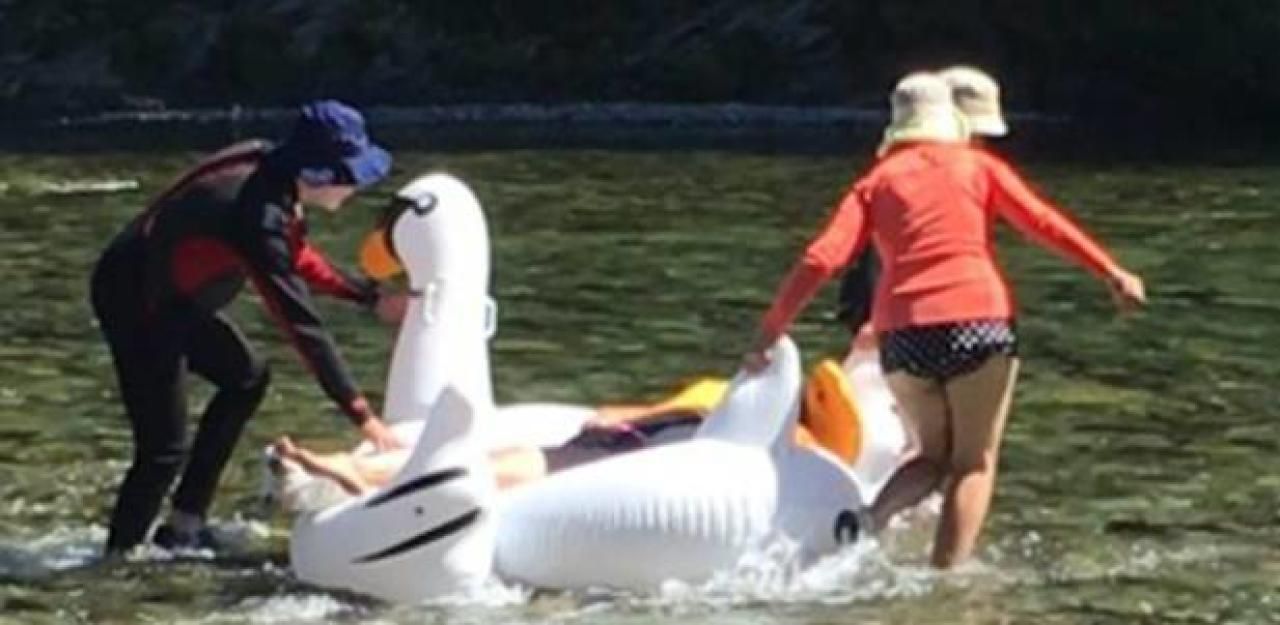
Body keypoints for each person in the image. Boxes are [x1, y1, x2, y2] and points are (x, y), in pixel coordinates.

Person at [743, 73, 1146, 568]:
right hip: (980, 324)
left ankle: (867, 522)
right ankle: (944, 584)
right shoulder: (979, 167)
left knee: (930, 457)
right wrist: (1109, 270)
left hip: (903, 337)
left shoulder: (874, 183)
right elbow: (1041, 222)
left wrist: (771, 330)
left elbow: (821, 257)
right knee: (973, 463)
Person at [90, 100, 406, 555]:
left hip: (173, 297)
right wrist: (362, 415)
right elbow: (300, 325)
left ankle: (184, 525)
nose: (357, 186)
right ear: (317, 174)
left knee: (246, 379)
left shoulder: (271, 174)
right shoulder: (255, 217)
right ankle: (115, 565)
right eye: (352, 175)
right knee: (163, 447)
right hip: (136, 301)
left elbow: (294, 260)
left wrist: (367, 296)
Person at [268, 370, 861, 500]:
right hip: (618, 468)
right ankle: (356, 477)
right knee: (487, 474)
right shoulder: (792, 451)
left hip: (611, 443)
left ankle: (354, 467)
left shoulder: (720, 394)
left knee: (485, 462)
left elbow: (610, 413)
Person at [834, 65, 1007, 349]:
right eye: (975, 136)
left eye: (982, 139)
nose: (980, 146)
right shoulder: (902, 177)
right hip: (892, 317)